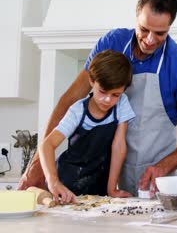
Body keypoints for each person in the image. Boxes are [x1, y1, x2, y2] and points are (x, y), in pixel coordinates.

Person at [19, 0, 177, 196]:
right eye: (144, 29)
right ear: (136, 16)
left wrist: (163, 166)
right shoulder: (112, 43)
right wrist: (37, 167)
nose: (150, 40)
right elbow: (70, 99)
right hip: (106, 177)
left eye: (160, 33)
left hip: (157, 183)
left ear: (170, 27)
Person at [38, 50, 134, 203]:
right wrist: (54, 182)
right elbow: (46, 145)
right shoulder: (77, 111)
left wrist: (111, 189)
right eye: (102, 91)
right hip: (68, 184)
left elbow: (119, 145)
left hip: (99, 186)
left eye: (116, 94)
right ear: (91, 81)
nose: (108, 100)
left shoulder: (122, 104)